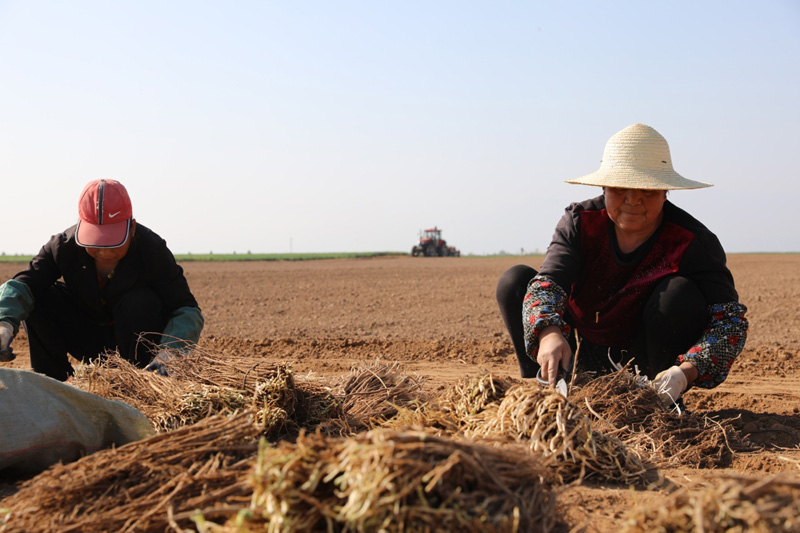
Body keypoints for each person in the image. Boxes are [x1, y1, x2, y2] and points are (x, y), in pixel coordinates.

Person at [496, 123, 748, 407]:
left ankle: (656, 399)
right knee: (515, 281)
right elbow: (548, 284)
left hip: (642, 354)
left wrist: (686, 372)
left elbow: (730, 322)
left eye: (648, 191)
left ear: (666, 191)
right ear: (604, 187)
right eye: (620, 189)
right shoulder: (580, 222)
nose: (633, 201)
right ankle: (545, 386)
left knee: (680, 293)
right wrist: (549, 333)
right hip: (576, 346)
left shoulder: (692, 242)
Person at [0, 179, 204, 381]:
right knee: (38, 295)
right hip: (87, 338)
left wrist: (169, 354)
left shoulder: (152, 250)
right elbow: (22, 285)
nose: (105, 252)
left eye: (114, 243)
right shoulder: (63, 247)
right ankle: (53, 384)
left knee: (139, 300)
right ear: (81, 229)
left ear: (131, 228)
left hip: (138, 344)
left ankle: (140, 383)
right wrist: (4, 323)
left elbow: (186, 310)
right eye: (96, 242)